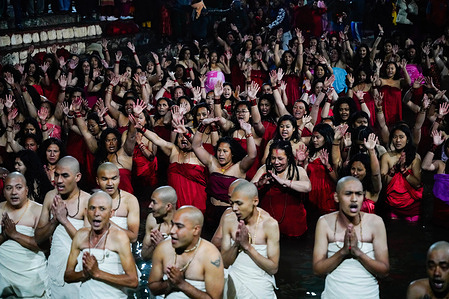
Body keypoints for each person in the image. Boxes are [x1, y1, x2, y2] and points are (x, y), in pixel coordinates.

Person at [313, 176, 389, 299]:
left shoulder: (376, 222)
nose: (354, 199)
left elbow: (384, 271)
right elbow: (318, 270)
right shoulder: (324, 222)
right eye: (348, 194)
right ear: (336, 197)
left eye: (358, 194)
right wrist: (343, 251)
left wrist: (357, 252)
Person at [34, 156, 91, 299]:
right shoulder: (50, 197)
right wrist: (54, 221)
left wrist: (64, 220)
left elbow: (88, 244)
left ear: (77, 177)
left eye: (65, 176)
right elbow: (39, 239)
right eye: (57, 175)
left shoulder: (88, 201)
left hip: (79, 271)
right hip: (55, 267)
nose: (59, 180)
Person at [64, 191, 139, 298]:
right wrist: (84, 274)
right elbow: (67, 276)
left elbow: (133, 281)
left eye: (102, 209)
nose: (96, 213)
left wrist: (98, 273)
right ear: (86, 211)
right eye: (92, 208)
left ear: (111, 213)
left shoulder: (119, 237)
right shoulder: (80, 235)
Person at [148, 206, 224, 299]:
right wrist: (169, 284)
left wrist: (182, 284)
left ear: (196, 230)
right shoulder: (163, 248)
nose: (172, 231)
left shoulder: (211, 255)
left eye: (179, 226)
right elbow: (152, 287)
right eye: (172, 224)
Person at [221, 181, 280, 298]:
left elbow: (273, 268)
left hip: (259, 286)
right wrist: (236, 244)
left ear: (255, 201)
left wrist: (247, 246)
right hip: (232, 282)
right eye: (232, 203)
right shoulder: (229, 220)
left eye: (239, 203)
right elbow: (224, 263)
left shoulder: (270, 224)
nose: (234, 208)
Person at [0, 172, 49, 298]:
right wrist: (4, 236)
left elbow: (43, 245)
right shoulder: (0, 209)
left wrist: (14, 234)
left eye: (18, 187)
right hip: (3, 275)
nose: (14, 192)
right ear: (3, 191)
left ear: (26, 190)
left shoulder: (38, 210)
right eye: (9, 188)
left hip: (31, 276)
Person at [252, 140, 311, 237]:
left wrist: (284, 182)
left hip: (293, 227)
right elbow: (247, 190)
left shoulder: (297, 170)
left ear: (288, 158)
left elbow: (308, 187)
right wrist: (258, 184)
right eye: (273, 158)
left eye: (280, 158)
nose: (276, 162)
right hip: (268, 225)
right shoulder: (265, 169)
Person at [96, 162, 140, 242]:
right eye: (105, 179)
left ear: (119, 179)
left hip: (122, 251)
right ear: (97, 180)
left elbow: (133, 237)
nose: (110, 183)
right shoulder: (92, 200)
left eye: (113, 178)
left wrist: (106, 222)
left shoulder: (130, 200)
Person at [141, 186, 177, 260]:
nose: (150, 206)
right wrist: (155, 246)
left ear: (168, 206)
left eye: (154, 202)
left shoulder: (183, 225)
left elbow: (187, 259)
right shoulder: (152, 220)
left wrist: (163, 245)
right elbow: (144, 256)